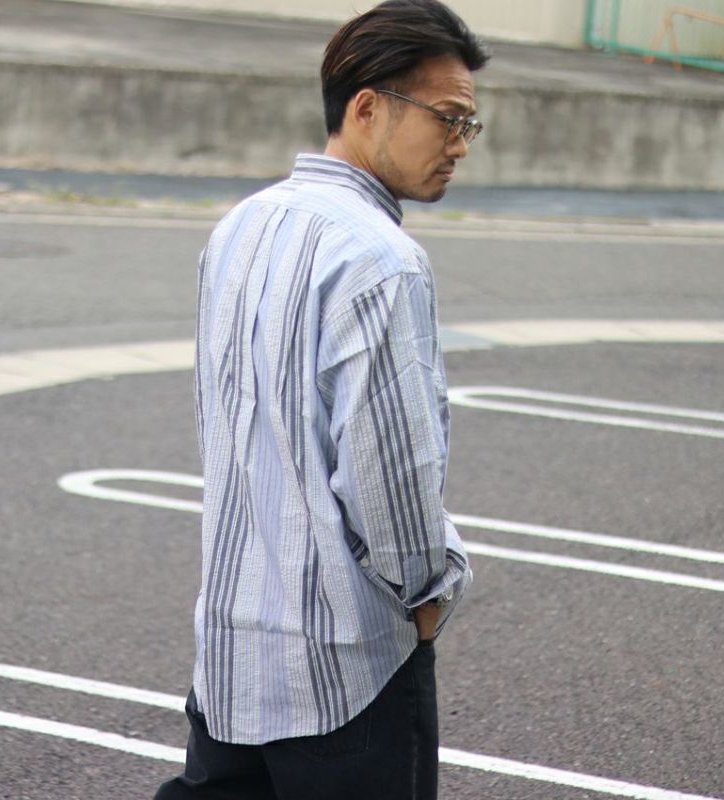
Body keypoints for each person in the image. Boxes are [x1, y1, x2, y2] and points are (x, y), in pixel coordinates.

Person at [154, 1, 489, 797]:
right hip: (345, 670)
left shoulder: (241, 226)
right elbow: (391, 477)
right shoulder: (383, 260)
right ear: (368, 107)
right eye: (448, 118)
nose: (458, 144)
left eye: (468, 126)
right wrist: (430, 593)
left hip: (231, 649)